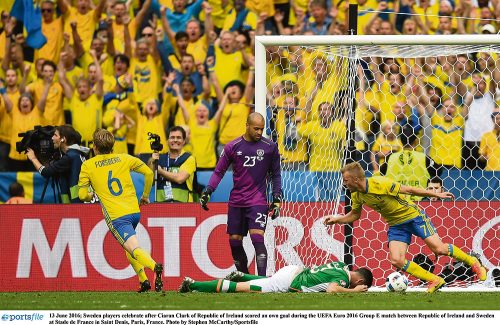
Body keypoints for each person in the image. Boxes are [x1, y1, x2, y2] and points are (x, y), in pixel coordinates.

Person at [324, 162, 488, 293]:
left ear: (356, 179)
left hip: (413, 217)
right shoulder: (356, 194)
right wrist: (337, 219)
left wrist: (436, 194)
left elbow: (408, 189)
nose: (343, 183)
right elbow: (355, 215)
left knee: (439, 249)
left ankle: (472, 261)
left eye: (346, 180)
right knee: (396, 260)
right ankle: (435, 280)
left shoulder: (380, 183)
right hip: (396, 225)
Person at [78, 129, 163, 293]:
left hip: (117, 217)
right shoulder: (124, 158)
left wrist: (91, 195)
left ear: (94, 146)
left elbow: (82, 195)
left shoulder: (87, 166)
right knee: (128, 247)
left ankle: (155, 267)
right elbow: (148, 172)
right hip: (134, 212)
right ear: (113, 145)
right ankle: (143, 280)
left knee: (133, 248)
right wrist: (145, 196)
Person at [200, 112, 282, 276]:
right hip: (237, 201)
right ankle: (245, 278)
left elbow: (276, 174)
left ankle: (261, 281)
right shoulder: (232, 146)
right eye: (256, 129)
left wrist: (277, 198)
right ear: (247, 125)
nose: (259, 132)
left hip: (257, 201)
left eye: (262, 129)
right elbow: (219, 171)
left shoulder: (270, 147)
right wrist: (208, 191)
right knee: (234, 242)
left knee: (257, 238)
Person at [178, 261, 372, 294]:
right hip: (290, 281)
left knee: (266, 281)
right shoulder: (345, 281)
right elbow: (331, 289)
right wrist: (352, 290)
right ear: (360, 281)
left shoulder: (341, 265)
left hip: (294, 270)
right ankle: (194, 284)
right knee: (241, 289)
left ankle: (243, 275)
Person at [27, 125, 89, 203]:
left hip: (79, 204)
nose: (52, 138)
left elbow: (45, 172)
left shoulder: (69, 157)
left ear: (63, 139)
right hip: (81, 201)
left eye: (55, 135)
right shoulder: (76, 153)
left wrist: (33, 158)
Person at [149, 126, 196, 203]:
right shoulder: (159, 158)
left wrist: (161, 171)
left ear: (184, 141)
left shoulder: (189, 158)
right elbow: (150, 180)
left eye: (178, 137)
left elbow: (180, 179)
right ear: (167, 141)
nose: (175, 140)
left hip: (184, 206)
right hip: (161, 205)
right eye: (172, 137)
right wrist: (152, 162)